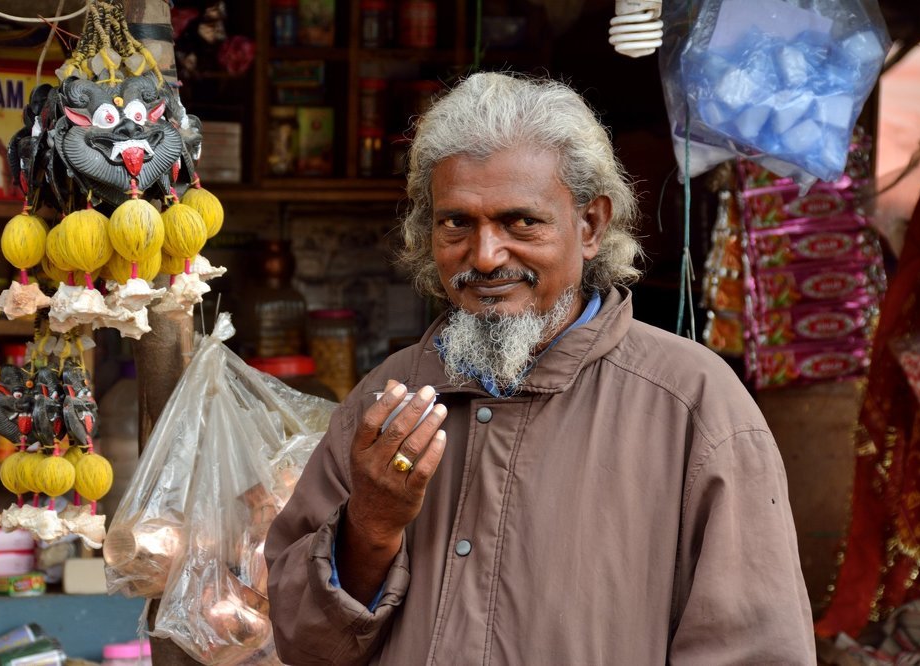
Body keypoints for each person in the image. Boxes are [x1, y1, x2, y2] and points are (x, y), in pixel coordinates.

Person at [265, 72, 816, 665]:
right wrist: (368, 529)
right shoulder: (389, 396)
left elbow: (758, 652)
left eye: (520, 222)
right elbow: (302, 641)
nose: (484, 256)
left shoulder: (693, 405)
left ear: (590, 226)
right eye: (457, 223)